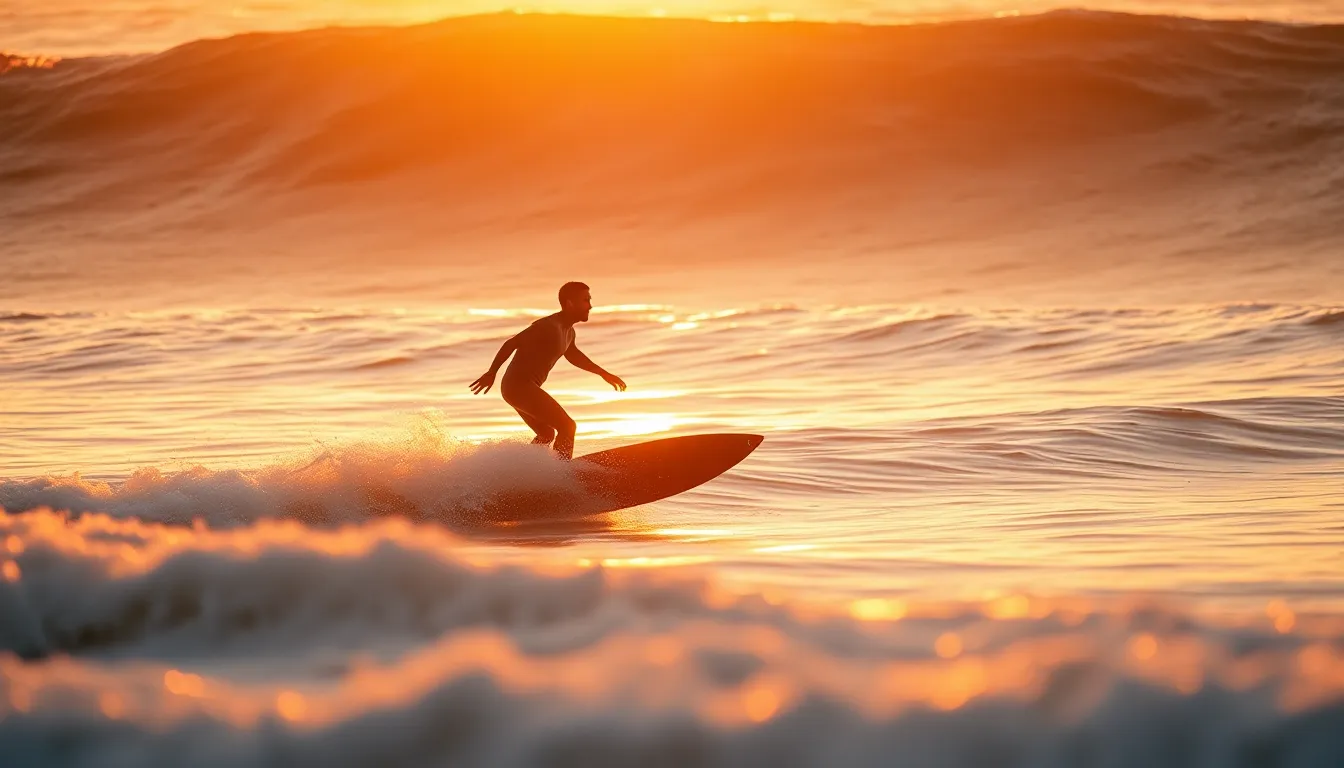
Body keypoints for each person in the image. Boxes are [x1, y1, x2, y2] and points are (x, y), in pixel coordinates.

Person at [469, 282, 626, 459]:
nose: (590, 306)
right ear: (569, 303)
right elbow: (512, 343)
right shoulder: (548, 326)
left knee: (546, 435)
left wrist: (603, 373)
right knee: (567, 427)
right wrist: (492, 372)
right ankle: (561, 476)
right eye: (585, 300)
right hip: (519, 386)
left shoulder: (568, 331)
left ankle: (524, 471)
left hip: (518, 388)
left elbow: (573, 355)